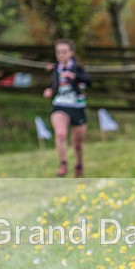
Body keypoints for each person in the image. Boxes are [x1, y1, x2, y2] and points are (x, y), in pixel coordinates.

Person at [43, 39, 92, 177]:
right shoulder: (55, 68)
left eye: (64, 52)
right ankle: (63, 163)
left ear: (71, 53)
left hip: (77, 106)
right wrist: (49, 89)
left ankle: (79, 164)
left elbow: (89, 81)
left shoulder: (77, 68)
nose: (61, 55)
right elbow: (52, 83)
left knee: (77, 143)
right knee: (60, 133)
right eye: (58, 52)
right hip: (60, 104)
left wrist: (74, 77)